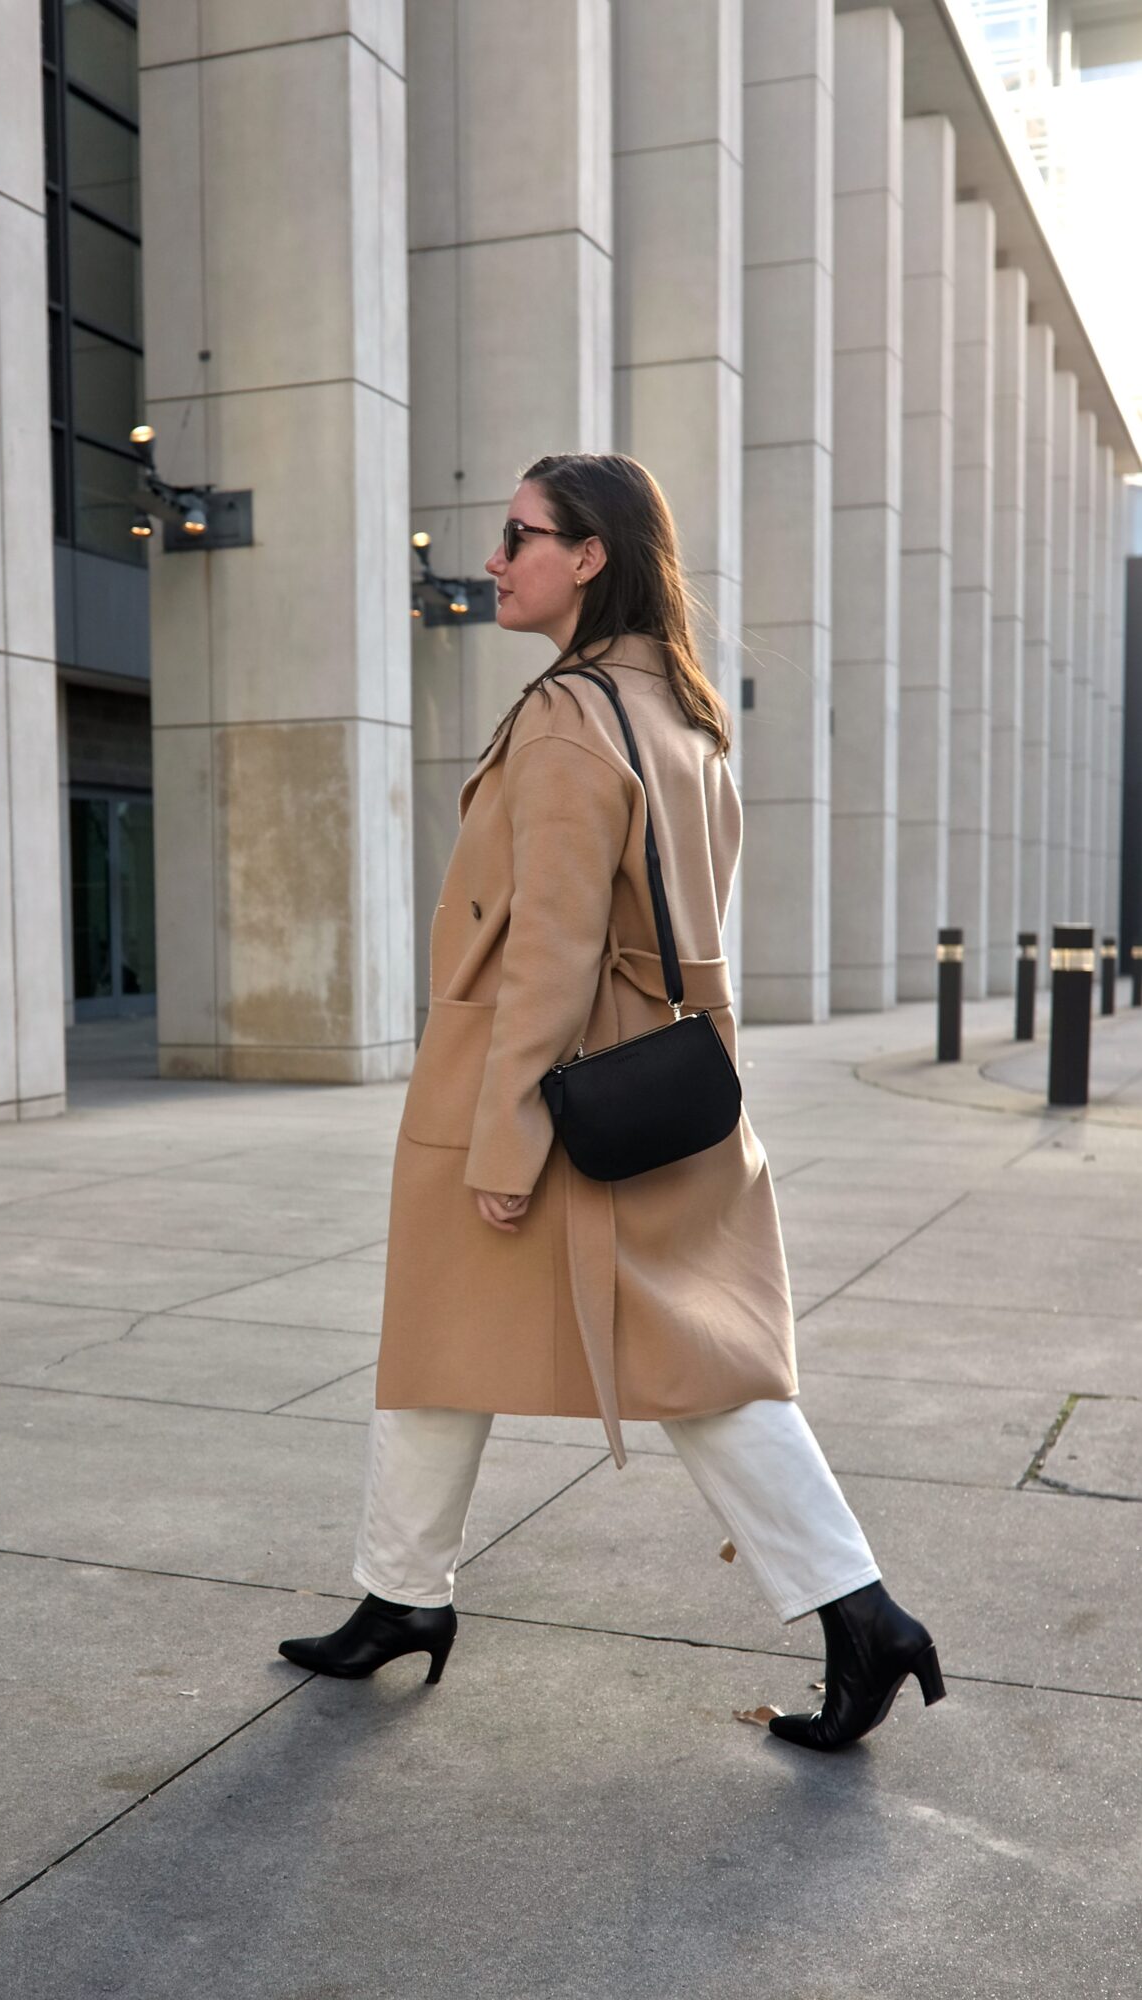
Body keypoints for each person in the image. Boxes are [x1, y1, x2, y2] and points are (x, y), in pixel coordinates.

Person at [279, 453, 943, 1751]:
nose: (495, 558)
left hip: (551, 1080)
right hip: (663, 1070)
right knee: (452, 1341)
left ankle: (861, 1613)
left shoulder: (571, 718)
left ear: (589, 555)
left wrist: (510, 1133)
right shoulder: (678, 712)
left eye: (520, 535)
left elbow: (553, 948)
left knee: (692, 1370)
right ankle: (401, 1591)